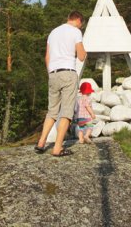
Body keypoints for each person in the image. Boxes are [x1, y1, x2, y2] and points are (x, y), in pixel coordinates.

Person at [35, 11, 87, 157]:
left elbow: (47, 57)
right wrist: (84, 51)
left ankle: (41, 142)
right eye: (81, 24)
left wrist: (51, 72)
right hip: (68, 73)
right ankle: (57, 148)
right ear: (78, 20)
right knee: (66, 112)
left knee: (52, 110)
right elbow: (81, 56)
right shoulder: (76, 32)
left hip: (53, 74)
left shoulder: (53, 32)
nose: (80, 27)